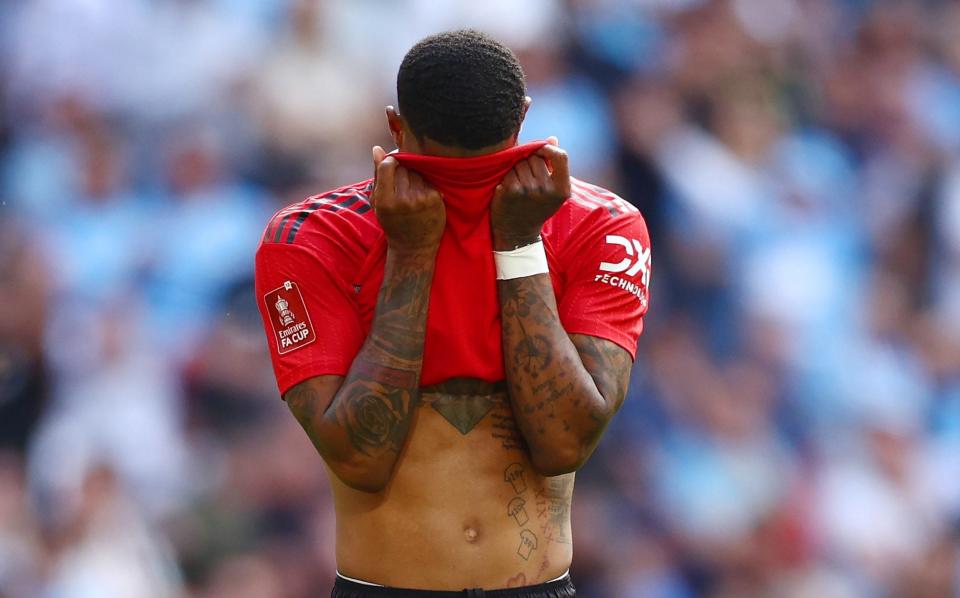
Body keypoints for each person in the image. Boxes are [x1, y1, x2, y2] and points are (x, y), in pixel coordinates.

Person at [254, 30, 651, 597]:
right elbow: (359, 459)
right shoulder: (312, 238)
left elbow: (564, 443)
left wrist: (517, 244)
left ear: (395, 124)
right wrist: (411, 254)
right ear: (525, 115)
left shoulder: (600, 227)